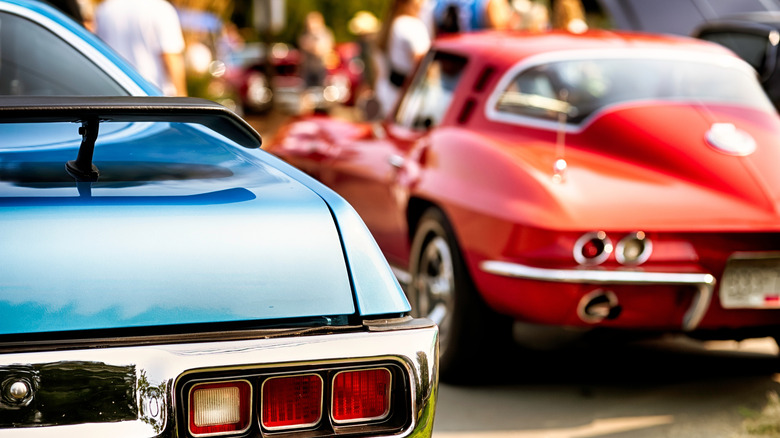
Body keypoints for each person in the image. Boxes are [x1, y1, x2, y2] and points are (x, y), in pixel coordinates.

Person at [95, 0, 187, 96]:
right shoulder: (162, 10)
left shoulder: (105, 9)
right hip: (153, 94)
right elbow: (171, 57)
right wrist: (181, 95)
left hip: (113, 91)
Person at [375, 0, 431, 117]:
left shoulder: (394, 23)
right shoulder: (410, 25)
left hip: (389, 92)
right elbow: (422, 60)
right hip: (407, 98)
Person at [430, 0, 513, 35]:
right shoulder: (491, 3)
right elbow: (500, 36)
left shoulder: (435, 3)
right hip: (479, 61)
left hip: (450, 60)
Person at [298, 11, 335, 89]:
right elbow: (303, 45)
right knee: (307, 90)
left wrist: (313, 46)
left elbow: (321, 49)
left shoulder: (325, 34)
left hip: (321, 67)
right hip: (307, 67)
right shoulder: (305, 33)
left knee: (322, 89)